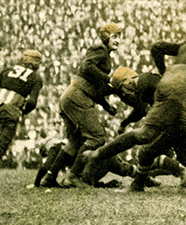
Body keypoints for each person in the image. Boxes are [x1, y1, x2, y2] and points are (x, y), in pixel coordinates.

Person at [81, 24, 186, 191]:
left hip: (169, 88)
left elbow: (157, 47)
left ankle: (101, 157)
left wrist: (163, 73)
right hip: (178, 91)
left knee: (150, 140)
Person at [46, 22, 130, 187]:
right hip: (79, 96)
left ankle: (49, 176)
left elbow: (94, 85)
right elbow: (86, 67)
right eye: (114, 36)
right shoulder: (100, 50)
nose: (118, 40)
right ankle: (73, 176)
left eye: (120, 37)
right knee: (97, 137)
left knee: (74, 142)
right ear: (105, 36)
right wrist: (110, 79)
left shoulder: (103, 53)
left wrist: (106, 105)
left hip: (72, 95)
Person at [0, 50, 44, 186]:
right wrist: (22, 112)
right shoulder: (36, 78)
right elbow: (32, 103)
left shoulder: (7, 70)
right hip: (10, 110)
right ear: (35, 63)